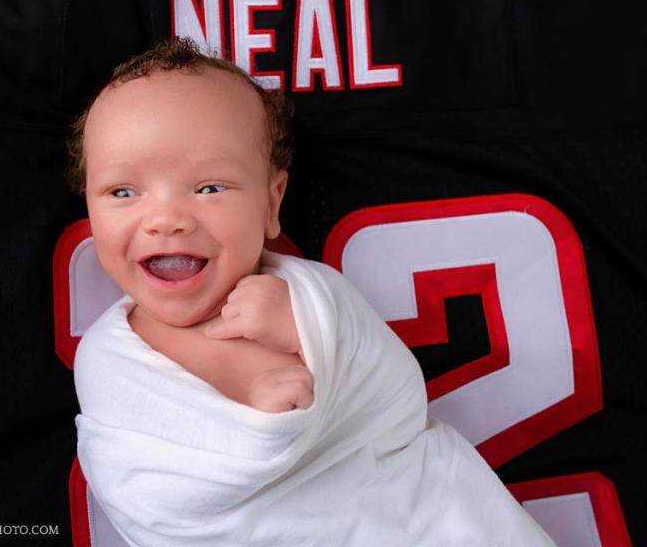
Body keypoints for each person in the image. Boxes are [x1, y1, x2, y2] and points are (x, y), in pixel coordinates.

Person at [69, 38, 556, 546]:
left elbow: (396, 402)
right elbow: (148, 495)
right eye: (123, 192)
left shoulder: (312, 297)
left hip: (409, 515)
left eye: (209, 187)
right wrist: (262, 432)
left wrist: (309, 329)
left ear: (271, 202)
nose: (166, 219)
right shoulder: (108, 359)